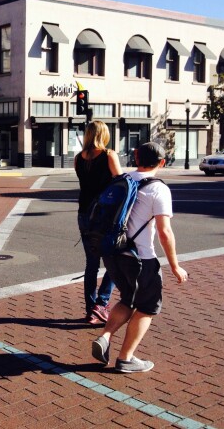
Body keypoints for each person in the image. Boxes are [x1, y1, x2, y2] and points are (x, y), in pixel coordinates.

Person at [92, 142, 188, 373]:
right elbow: (165, 232)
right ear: (162, 162)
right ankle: (126, 358)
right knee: (147, 307)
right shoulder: (158, 189)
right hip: (141, 258)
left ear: (136, 157)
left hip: (115, 253)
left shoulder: (123, 179)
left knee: (127, 299)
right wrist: (175, 266)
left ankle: (105, 336)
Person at [74, 120, 122, 325]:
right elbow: (121, 183)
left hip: (84, 213)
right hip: (104, 215)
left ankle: (90, 309)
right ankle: (101, 305)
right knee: (113, 261)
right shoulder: (109, 155)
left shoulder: (78, 158)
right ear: (103, 135)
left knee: (91, 264)